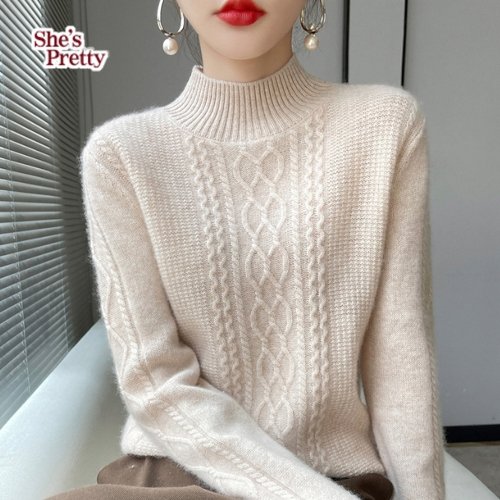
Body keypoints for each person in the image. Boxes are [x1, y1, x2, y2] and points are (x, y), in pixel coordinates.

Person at [46, 0, 446, 499]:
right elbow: (155, 382)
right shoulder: (120, 156)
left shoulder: (385, 127)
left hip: (335, 479)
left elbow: (401, 361)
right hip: (179, 477)